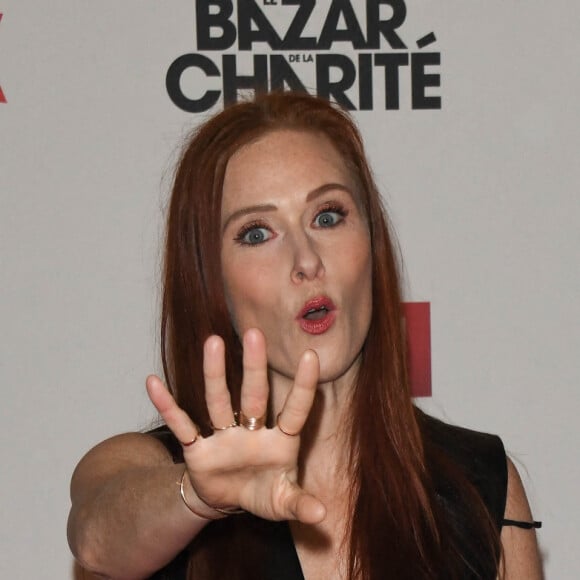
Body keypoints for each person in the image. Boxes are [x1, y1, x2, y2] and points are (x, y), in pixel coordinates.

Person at [67, 91, 543, 579]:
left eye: (328, 216)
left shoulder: (477, 481)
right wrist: (197, 495)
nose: (307, 260)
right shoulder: (150, 469)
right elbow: (95, 536)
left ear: (372, 242)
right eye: (256, 233)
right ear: (213, 282)